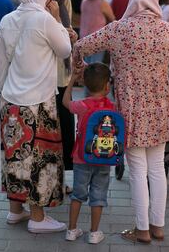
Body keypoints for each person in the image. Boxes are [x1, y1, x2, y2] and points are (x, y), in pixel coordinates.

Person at [73, 0, 169, 243]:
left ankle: (142, 230)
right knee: (157, 169)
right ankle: (158, 227)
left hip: (131, 108)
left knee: (137, 170)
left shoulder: (118, 29)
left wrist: (79, 72)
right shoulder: (168, 30)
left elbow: (81, 46)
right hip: (161, 107)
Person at [0, 0, 72, 233]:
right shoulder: (43, 19)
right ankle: (38, 219)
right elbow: (65, 50)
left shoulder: (7, 20)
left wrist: (2, 95)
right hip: (39, 102)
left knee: (15, 156)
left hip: (10, 100)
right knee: (40, 159)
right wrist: (56, 18)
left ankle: (15, 211)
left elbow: (1, 65)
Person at [62, 62, 113, 244]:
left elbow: (65, 102)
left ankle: (71, 230)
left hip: (81, 158)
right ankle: (94, 233)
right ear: (107, 86)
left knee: (78, 195)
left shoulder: (82, 105)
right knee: (98, 195)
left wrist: (71, 81)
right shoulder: (112, 107)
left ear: (84, 84)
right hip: (104, 158)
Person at [43, 0, 79, 189]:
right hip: (46, 75)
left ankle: (62, 178)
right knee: (49, 128)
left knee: (65, 128)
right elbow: (48, 33)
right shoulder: (40, 0)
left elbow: (68, 30)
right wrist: (58, 24)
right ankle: (50, 180)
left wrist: (72, 34)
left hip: (64, 72)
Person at [80, 0, 115, 64]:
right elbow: (112, 19)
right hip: (97, 38)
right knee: (96, 65)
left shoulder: (84, 2)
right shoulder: (103, 3)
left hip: (84, 37)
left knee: (86, 65)